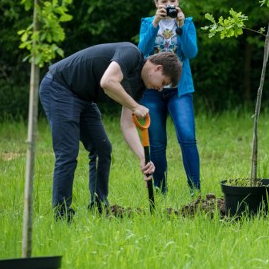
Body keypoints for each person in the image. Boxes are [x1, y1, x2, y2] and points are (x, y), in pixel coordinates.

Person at [39, 42, 182, 221]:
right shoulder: (131, 54)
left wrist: (143, 157)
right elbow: (107, 82)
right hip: (60, 88)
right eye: (163, 83)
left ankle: (99, 207)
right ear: (158, 68)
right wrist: (135, 106)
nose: (161, 89)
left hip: (84, 98)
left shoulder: (139, 88)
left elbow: (127, 125)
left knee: (102, 150)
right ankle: (62, 215)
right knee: (67, 153)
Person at [138, 0, 200, 195]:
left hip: (179, 90)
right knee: (156, 142)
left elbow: (191, 53)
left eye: (172, 1)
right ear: (156, 3)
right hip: (152, 91)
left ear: (178, 2)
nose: (169, 5)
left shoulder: (187, 23)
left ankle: (195, 189)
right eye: (164, 1)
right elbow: (142, 51)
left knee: (187, 136)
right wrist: (155, 24)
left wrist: (181, 28)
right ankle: (160, 189)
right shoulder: (147, 23)